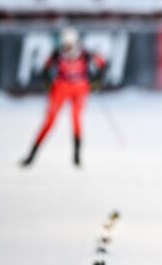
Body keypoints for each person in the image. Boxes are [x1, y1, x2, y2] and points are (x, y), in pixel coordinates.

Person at [21, 27, 107, 167]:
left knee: (77, 119)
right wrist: (48, 83)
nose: (67, 49)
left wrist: (97, 81)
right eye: (64, 46)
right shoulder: (57, 54)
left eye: (69, 46)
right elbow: (46, 68)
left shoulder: (85, 54)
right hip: (61, 88)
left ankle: (77, 157)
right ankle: (32, 155)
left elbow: (103, 64)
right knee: (49, 121)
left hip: (80, 88)